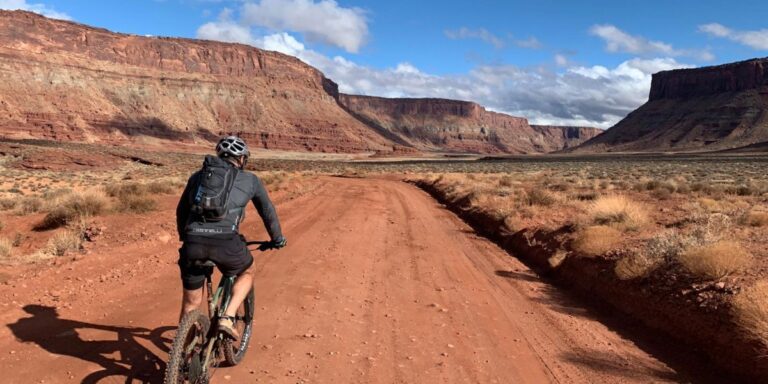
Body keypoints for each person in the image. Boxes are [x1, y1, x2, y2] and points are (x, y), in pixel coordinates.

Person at [175, 136, 286, 339]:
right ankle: (228, 317)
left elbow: (181, 210)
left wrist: (186, 237)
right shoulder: (251, 180)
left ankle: (183, 356)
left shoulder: (197, 177)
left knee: (191, 304)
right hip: (225, 242)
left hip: (193, 242)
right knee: (248, 271)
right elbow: (267, 211)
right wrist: (277, 238)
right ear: (241, 159)